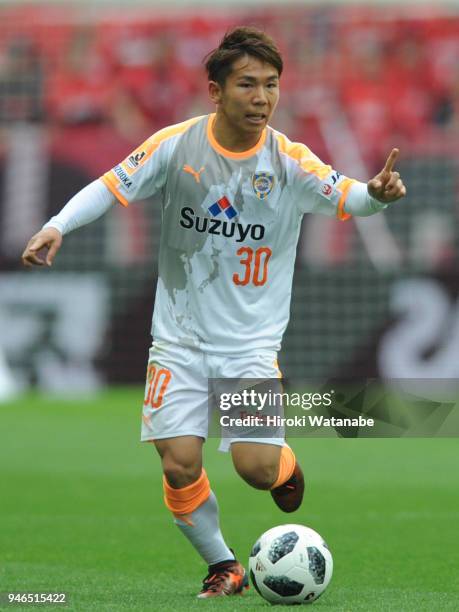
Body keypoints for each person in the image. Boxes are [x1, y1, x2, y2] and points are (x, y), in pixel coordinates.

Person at [22, 26, 406, 598]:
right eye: (247, 84)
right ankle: (223, 566)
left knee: (255, 468)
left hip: (249, 347)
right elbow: (108, 187)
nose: (262, 97)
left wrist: (375, 193)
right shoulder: (175, 146)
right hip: (177, 339)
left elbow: (347, 194)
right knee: (178, 463)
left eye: (272, 85)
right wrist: (56, 225)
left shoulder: (289, 161)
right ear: (215, 91)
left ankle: (282, 464)